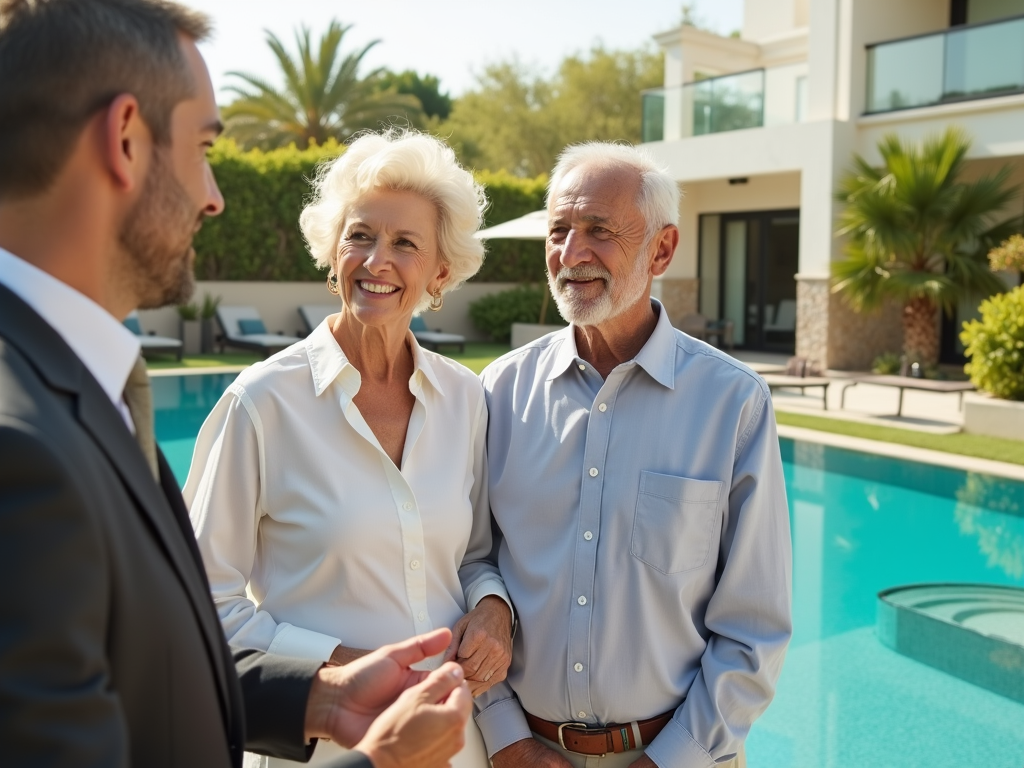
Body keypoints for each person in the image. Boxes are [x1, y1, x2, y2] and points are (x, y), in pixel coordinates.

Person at [0, 1, 471, 766]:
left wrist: (318, 697)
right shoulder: (19, 448)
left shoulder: (82, 389)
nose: (215, 196)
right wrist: (377, 761)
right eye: (205, 148)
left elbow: (145, 663)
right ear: (124, 140)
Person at [184, 129, 514, 768]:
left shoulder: (465, 398)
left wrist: (494, 610)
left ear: (440, 272)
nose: (375, 260)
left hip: (454, 746)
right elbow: (202, 603)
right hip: (322, 747)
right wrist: (346, 673)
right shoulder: (262, 402)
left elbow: (474, 555)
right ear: (333, 252)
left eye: (405, 244)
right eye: (359, 235)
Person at [474, 143, 793, 768]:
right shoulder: (499, 393)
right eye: (559, 231)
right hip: (523, 753)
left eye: (599, 231)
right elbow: (468, 562)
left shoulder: (734, 404)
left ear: (662, 250)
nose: (572, 254)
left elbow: (755, 625)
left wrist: (672, 759)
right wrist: (504, 735)